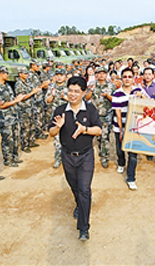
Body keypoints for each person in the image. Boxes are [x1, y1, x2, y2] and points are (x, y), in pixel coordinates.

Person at [49, 76, 102, 241]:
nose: (72, 94)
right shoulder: (60, 110)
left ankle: (84, 227)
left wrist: (85, 129)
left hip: (86, 155)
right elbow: (50, 132)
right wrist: (58, 127)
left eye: (77, 91)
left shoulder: (90, 109)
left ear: (83, 92)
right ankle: (79, 204)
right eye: (70, 90)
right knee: (74, 186)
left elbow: (98, 130)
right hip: (68, 156)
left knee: (84, 189)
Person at [112, 68, 144, 190]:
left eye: (129, 77)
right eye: (124, 76)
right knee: (120, 150)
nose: (127, 79)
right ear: (121, 79)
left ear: (133, 78)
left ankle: (131, 178)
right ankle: (121, 162)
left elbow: (145, 106)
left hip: (135, 128)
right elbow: (118, 113)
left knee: (133, 154)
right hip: (119, 126)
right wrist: (121, 130)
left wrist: (141, 97)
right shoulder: (117, 94)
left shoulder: (138, 91)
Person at [0, 66, 25, 167]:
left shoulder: (6, 85)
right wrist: (16, 100)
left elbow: (10, 99)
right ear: (1, 74)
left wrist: (15, 101)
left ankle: (14, 157)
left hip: (13, 116)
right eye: (6, 73)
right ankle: (8, 160)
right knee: (7, 139)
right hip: (5, 118)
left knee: (15, 138)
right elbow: (1, 105)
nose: (8, 75)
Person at [86, 66, 116, 168]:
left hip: (106, 116)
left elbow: (115, 100)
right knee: (97, 137)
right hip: (94, 116)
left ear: (106, 75)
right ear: (96, 75)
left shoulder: (111, 86)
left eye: (103, 73)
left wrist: (108, 95)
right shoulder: (92, 85)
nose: (101, 75)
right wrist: (91, 90)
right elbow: (86, 98)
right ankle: (100, 151)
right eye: (99, 73)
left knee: (104, 138)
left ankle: (105, 157)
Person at [15, 67, 41, 153]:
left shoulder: (28, 82)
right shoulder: (19, 84)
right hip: (24, 109)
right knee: (25, 127)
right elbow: (22, 97)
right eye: (25, 73)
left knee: (32, 125)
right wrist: (33, 92)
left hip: (31, 107)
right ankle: (24, 145)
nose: (27, 75)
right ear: (20, 74)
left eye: (27, 73)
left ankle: (31, 141)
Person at [46, 68, 69, 168]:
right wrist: (52, 95)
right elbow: (47, 101)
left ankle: (68, 160)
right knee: (57, 140)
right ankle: (58, 159)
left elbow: (75, 100)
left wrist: (65, 98)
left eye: (61, 75)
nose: (59, 77)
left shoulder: (69, 87)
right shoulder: (52, 87)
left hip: (68, 116)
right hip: (56, 118)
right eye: (57, 75)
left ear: (65, 76)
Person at [29, 59, 47, 140]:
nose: (39, 67)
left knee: (40, 116)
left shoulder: (35, 74)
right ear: (32, 65)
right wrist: (43, 85)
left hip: (39, 98)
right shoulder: (30, 75)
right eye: (37, 65)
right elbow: (33, 88)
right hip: (35, 99)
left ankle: (39, 132)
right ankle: (37, 133)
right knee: (36, 117)